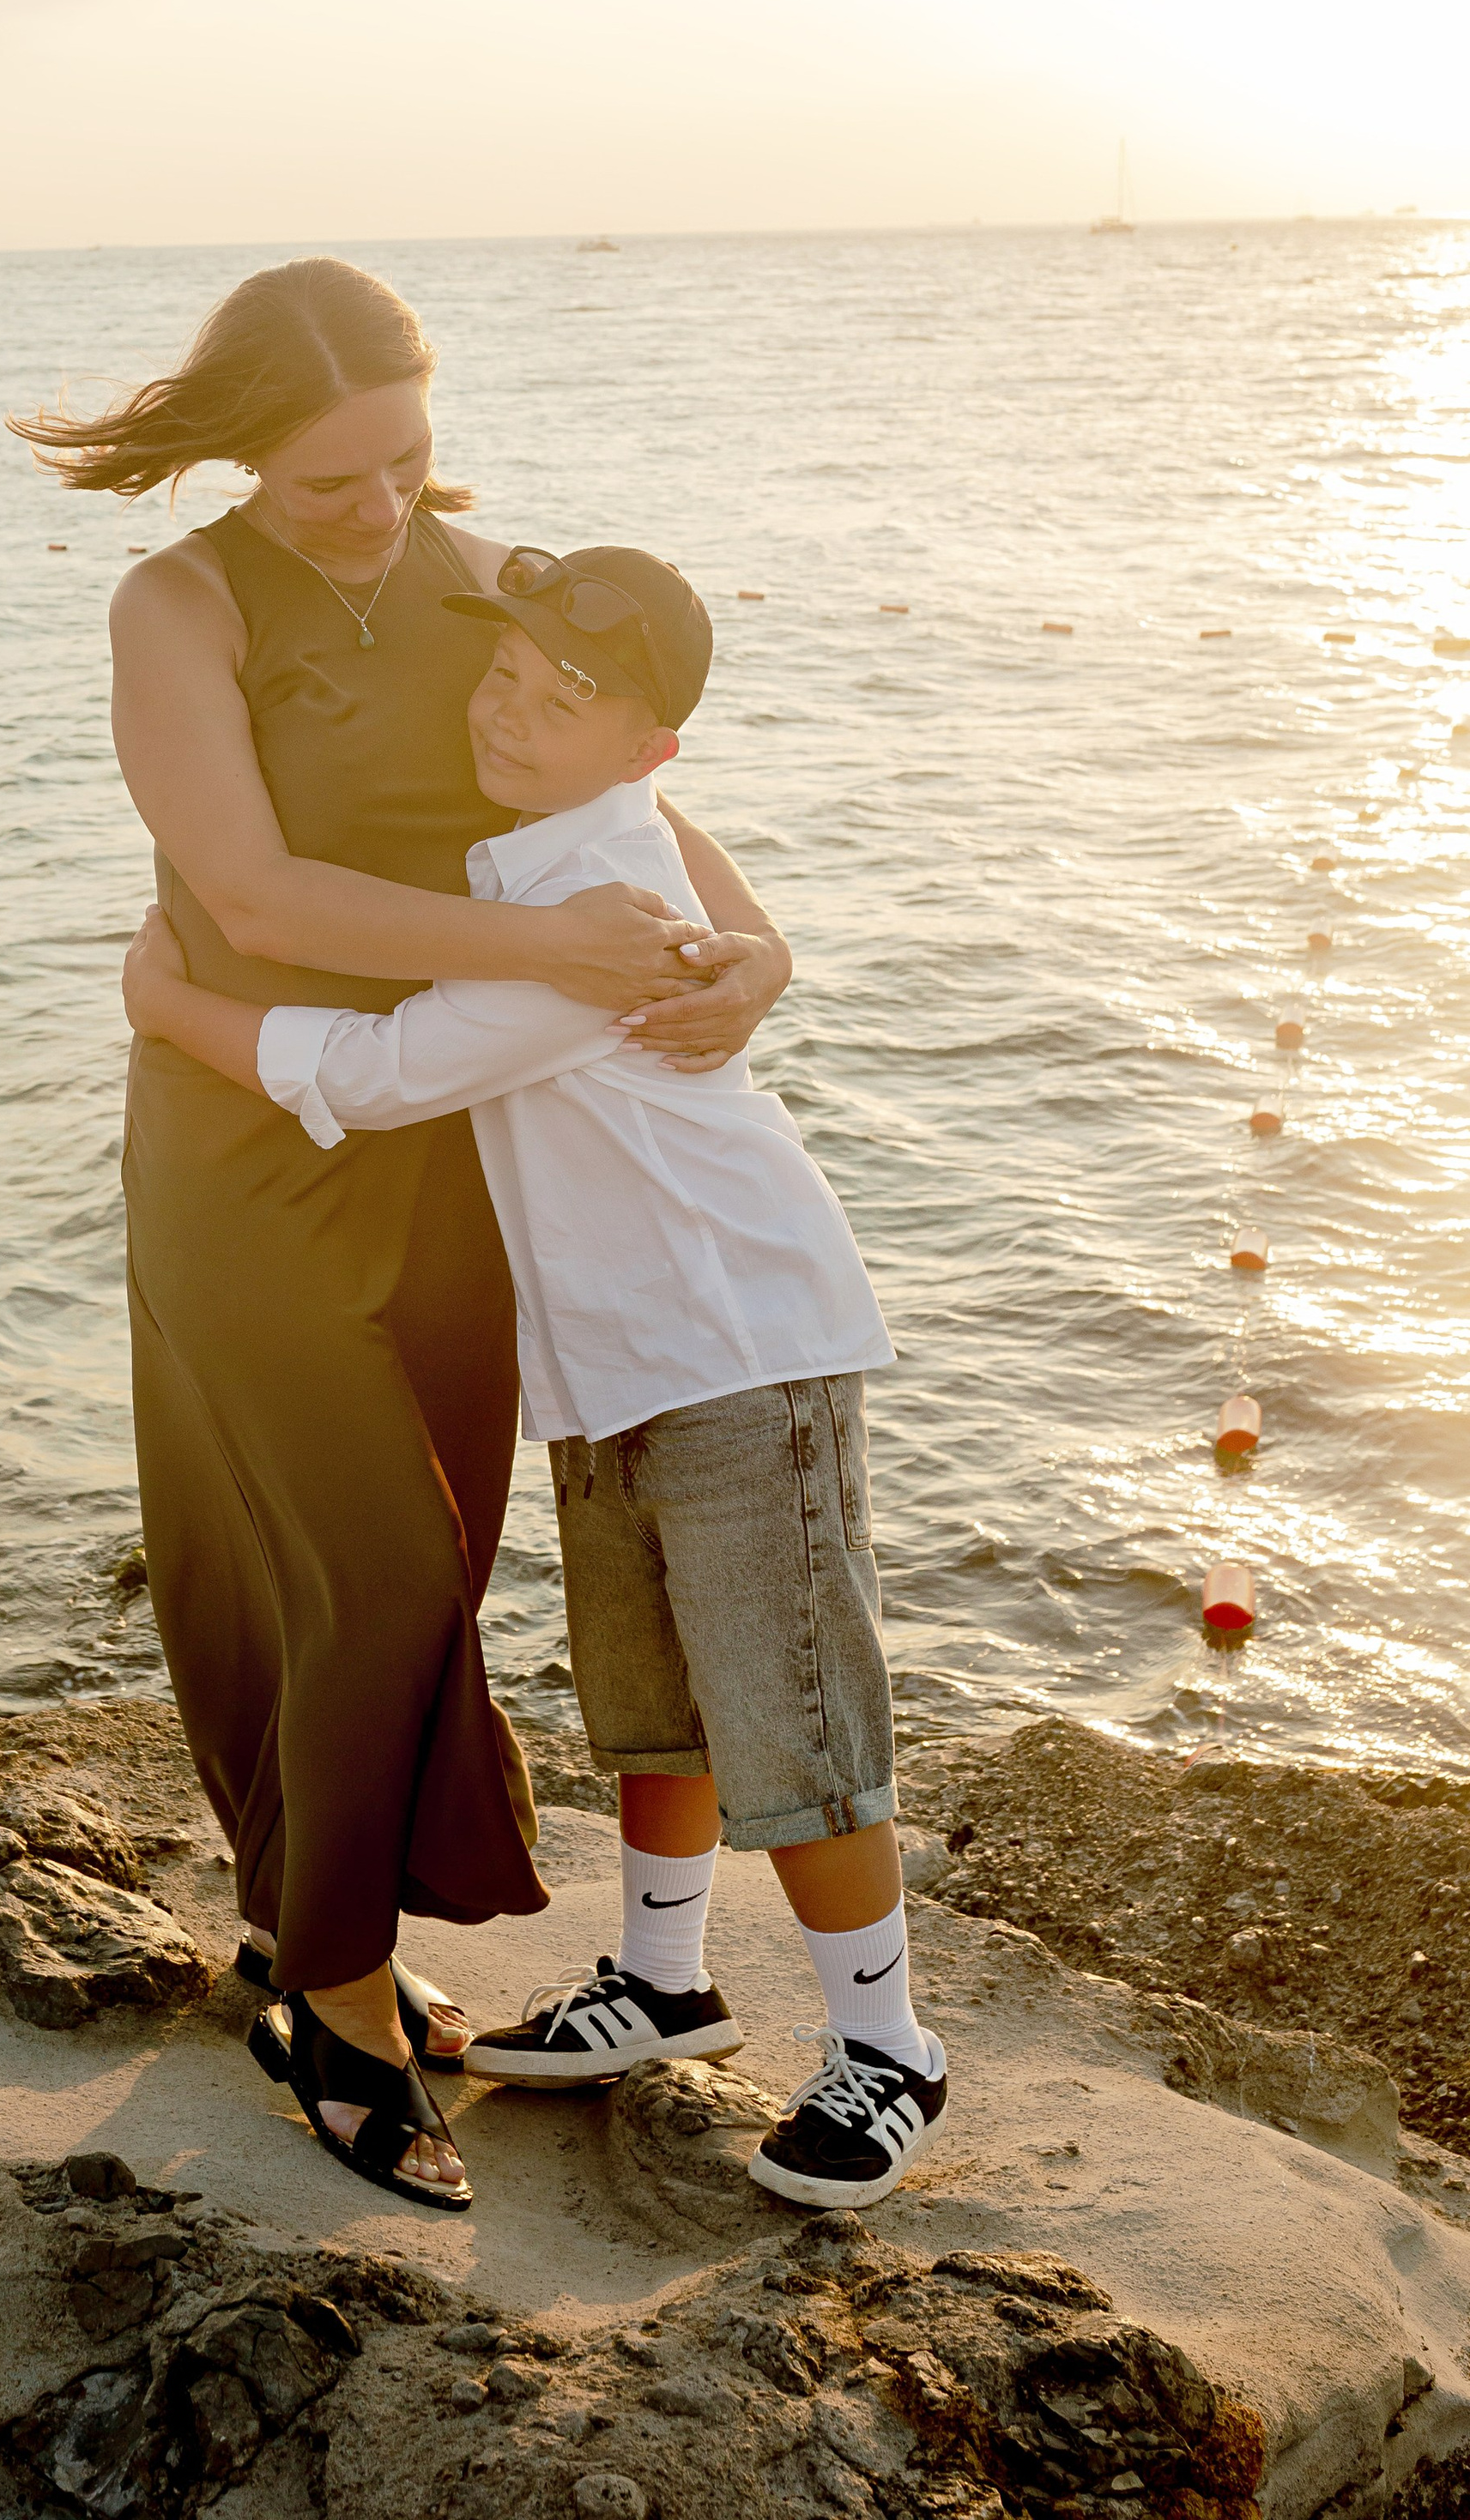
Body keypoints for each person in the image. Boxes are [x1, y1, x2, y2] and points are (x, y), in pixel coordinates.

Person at [9, 259, 792, 2213]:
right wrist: (540, 948)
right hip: (245, 1135)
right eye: (326, 481)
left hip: (451, 1148)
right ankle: (335, 2007)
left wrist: (756, 946)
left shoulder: (493, 575)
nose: (374, 508)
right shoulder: (179, 605)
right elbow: (251, 893)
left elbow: (629, 781)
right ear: (240, 454)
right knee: (347, 1563)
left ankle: (310, 1926)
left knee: (427, 1568)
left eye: (404, 463)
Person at [120, 538, 946, 2211]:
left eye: (555, 705)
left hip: (735, 1346)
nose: (503, 714)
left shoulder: (594, 926)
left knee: (790, 1715)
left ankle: (887, 2049)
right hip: (614, 1355)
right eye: (496, 679)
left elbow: (377, 1071)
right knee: (651, 1702)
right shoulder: (541, 859)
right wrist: (763, 944)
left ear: (642, 747)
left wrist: (164, 1006)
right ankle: (662, 1983)